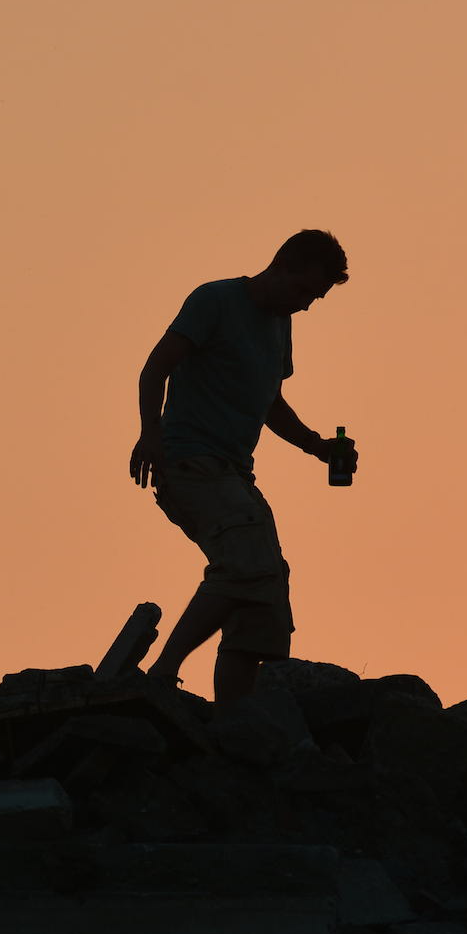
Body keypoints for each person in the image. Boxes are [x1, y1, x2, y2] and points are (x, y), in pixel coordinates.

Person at [129, 229, 358, 704]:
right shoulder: (215, 300)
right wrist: (151, 435)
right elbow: (156, 367)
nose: (306, 305)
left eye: (314, 299)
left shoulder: (280, 325)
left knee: (268, 587)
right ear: (282, 266)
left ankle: (238, 718)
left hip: (232, 473)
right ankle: (162, 673)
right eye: (303, 291)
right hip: (189, 461)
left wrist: (318, 447)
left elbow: (271, 402)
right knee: (244, 562)